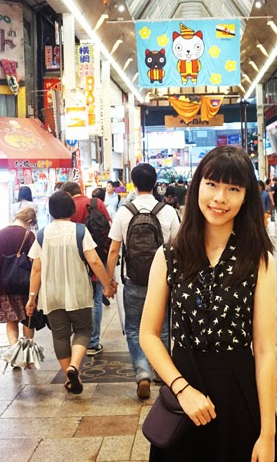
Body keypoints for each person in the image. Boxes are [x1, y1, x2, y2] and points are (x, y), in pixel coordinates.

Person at [139, 146, 277, 461]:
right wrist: (181, 389)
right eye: (212, 184)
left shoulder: (258, 260)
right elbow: (148, 334)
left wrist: (268, 433)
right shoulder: (169, 255)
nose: (220, 198)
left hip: (240, 397)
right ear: (197, 187)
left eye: (233, 189)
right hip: (183, 397)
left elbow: (264, 350)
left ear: (246, 197)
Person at [25, 191, 115, 393]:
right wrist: (107, 285)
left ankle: (68, 376)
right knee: (83, 330)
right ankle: (74, 366)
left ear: (50, 211)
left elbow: (36, 269)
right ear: (72, 210)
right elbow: (94, 261)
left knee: (60, 336)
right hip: (78, 292)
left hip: (51, 294)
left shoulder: (42, 234)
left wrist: (32, 297)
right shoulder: (80, 231)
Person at [107, 163, 180, 399]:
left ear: (133, 183)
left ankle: (142, 373)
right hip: (163, 281)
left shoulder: (124, 212)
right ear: (156, 182)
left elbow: (114, 250)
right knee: (163, 328)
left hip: (133, 280)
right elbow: (179, 247)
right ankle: (161, 371)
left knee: (134, 328)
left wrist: (110, 280)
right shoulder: (167, 211)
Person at [60, 181, 112, 355]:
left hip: (73, 259)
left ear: (67, 194)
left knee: (75, 299)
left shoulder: (67, 208)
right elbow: (109, 227)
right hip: (97, 255)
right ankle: (92, 342)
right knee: (96, 299)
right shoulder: (96, 203)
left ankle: (78, 339)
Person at [0, 207, 37, 348]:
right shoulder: (29, 235)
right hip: (24, 284)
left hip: (4, 284)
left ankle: (13, 349)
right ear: (29, 221)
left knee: (11, 320)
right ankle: (27, 349)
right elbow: (34, 261)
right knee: (28, 318)